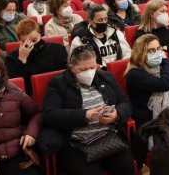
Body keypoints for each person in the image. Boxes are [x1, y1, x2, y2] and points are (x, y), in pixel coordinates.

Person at [42, 45, 135, 175]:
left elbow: (125, 102)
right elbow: (50, 115)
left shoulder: (106, 77)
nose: (89, 72)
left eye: (92, 68)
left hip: (109, 137)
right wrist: (83, 115)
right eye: (83, 69)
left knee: (126, 166)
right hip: (76, 144)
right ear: (72, 67)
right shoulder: (59, 83)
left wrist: (117, 114)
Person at [6, 19, 67, 95]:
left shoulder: (57, 49)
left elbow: (65, 75)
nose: (31, 45)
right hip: (30, 95)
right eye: (26, 42)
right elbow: (17, 87)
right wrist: (22, 59)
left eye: (34, 40)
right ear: (20, 41)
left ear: (40, 34)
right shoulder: (12, 58)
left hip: (59, 91)